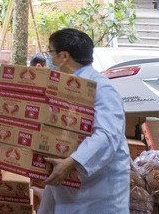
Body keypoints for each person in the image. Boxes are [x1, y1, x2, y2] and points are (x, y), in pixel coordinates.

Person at [39, 28, 129, 213]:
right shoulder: (64, 87)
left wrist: (72, 162)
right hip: (67, 184)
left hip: (99, 192)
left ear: (63, 56)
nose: (48, 59)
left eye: (50, 53)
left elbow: (106, 135)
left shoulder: (102, 89)